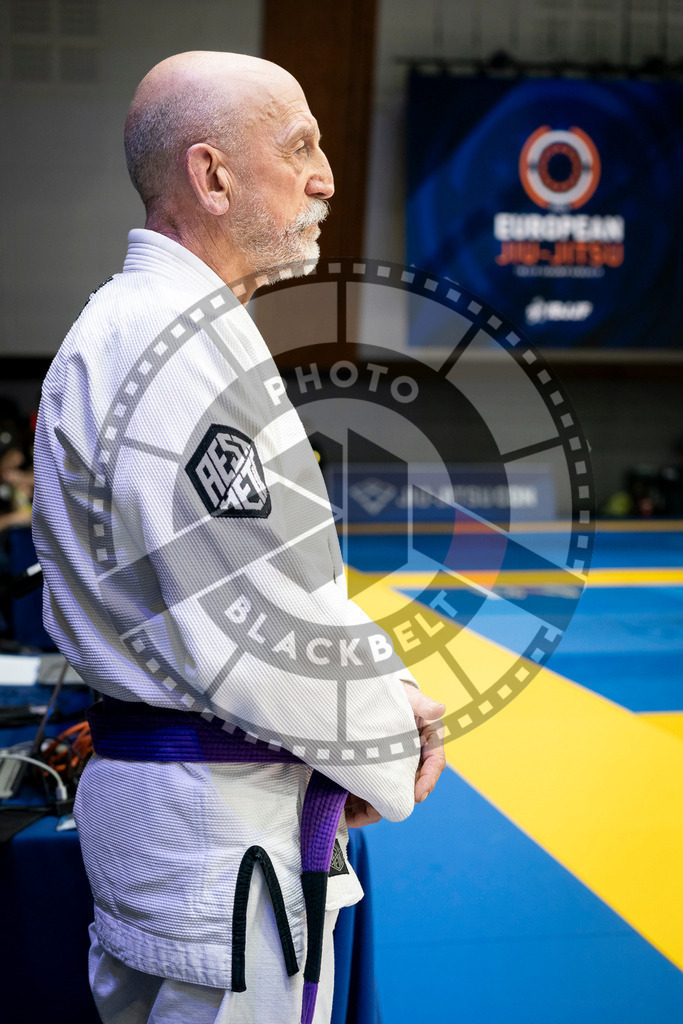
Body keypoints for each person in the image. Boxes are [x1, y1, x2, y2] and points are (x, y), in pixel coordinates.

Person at [32, 51, 446, 1024]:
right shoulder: (166, 347)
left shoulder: (158, 329)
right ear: (211, 176)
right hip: (223, 840)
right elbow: (251, 619)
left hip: (197, 823)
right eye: (298, 148)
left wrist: (380, 695)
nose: (325, 180)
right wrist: (389, 736)